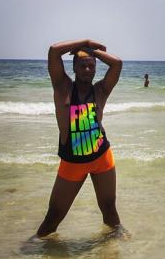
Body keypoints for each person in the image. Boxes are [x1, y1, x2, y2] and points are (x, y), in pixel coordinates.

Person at [35, 38, 123, 238]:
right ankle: (36, 248)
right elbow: (54, 51)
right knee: (54, 216)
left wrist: (92, 51)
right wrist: (85, 43)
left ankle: (114, 246)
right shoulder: (62, 87)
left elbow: (117, 64)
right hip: (72, 162)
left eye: (91, 66)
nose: (87, 69)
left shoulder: (101, 90)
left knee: (109, 208)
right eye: (82, 65)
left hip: (102, 158)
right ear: (74, 67)